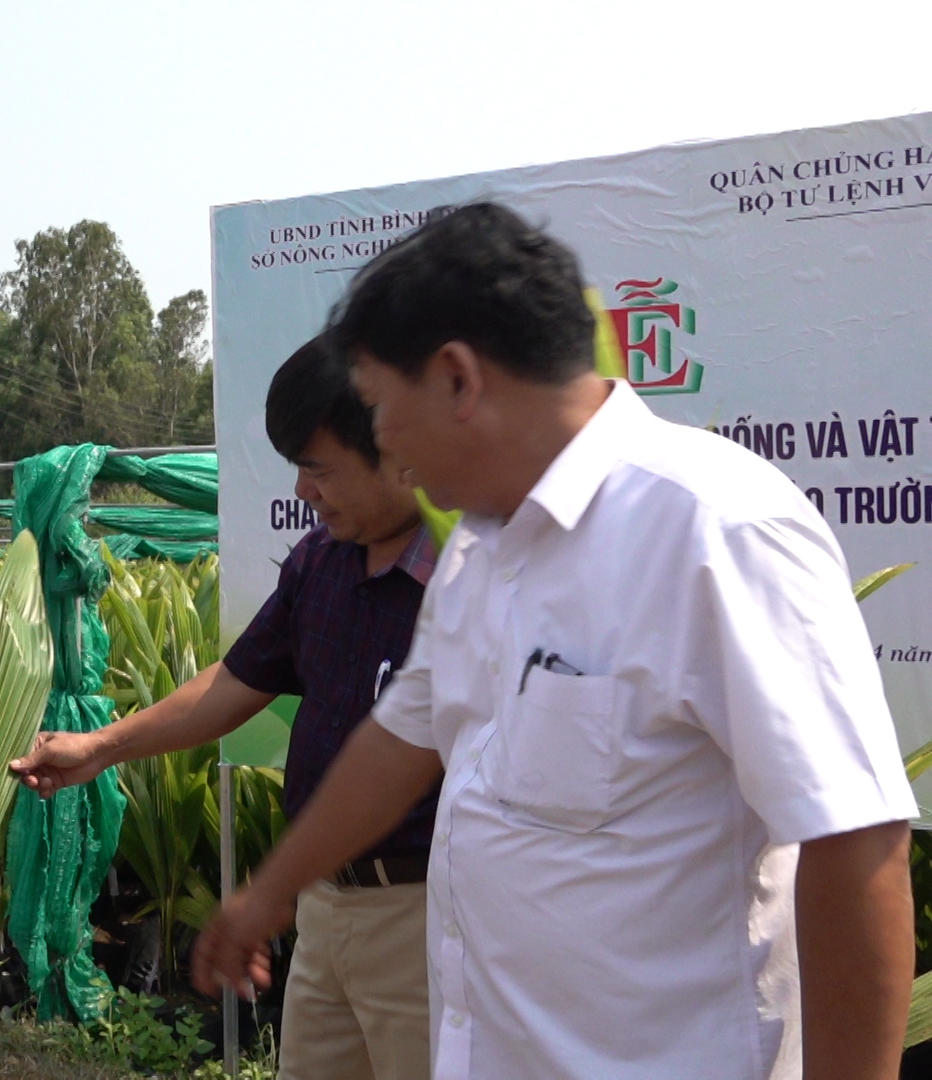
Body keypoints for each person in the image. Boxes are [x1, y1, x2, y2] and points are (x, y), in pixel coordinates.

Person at [192, 202, 918, 1080]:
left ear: (459, 379)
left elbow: (855, 841)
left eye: (381, 407)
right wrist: (267, 895)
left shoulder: (717, 530)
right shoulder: (481, 548)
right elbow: (401, 738)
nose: (383, 442)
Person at [11, 333, 437, 1080]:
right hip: (323, 907)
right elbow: (238, 681)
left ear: (398, 449)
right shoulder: (321, 562)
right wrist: (102, 746)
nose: (304, 492)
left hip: (424, 912)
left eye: (319, 468)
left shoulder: (471, 580)